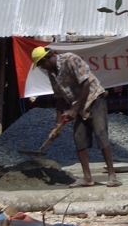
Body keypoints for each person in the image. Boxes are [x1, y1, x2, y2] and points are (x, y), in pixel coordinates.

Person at [31, 46, 122, 188]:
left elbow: (86, 83)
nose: (42, 68)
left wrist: (74, 109)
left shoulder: (70, 59)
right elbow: (59, 98)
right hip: (78, 105)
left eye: (41, 64)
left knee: (100, 133)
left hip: (94, 99)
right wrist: (57, 125)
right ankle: (87, 178)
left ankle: (112, 175)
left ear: (47, 59)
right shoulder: (52, 74)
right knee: (79, 138)